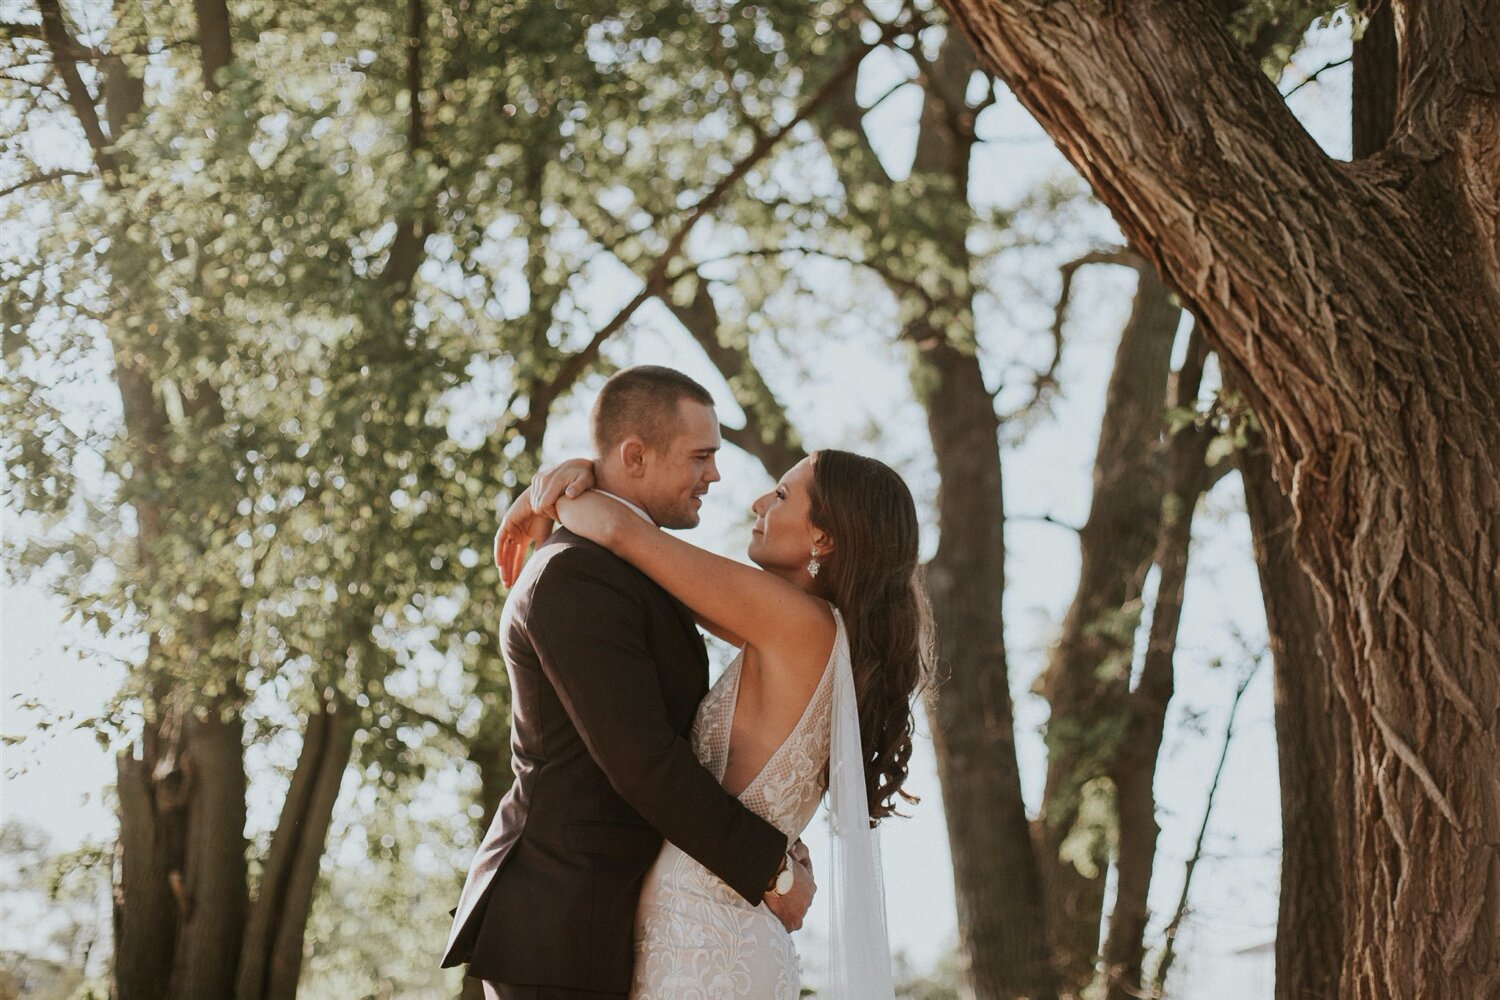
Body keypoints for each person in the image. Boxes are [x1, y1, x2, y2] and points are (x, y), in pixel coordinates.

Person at [499, 425, 935, 998]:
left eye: (781, 496)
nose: (758, 501)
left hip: (702, 941)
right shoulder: (811, 634)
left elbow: (621, 533)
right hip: (725, 935)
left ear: (822, 538)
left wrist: (552, 491)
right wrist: (584, 476)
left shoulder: (797, 625)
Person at [441, 366, 815, 1000]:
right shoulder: (573, 577)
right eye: (701, 456)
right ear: (635, 456)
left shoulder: (632, 568)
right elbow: (643, 762)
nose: (716, 476)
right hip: (562, 925)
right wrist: (769, 868)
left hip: (622, 918)